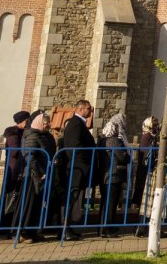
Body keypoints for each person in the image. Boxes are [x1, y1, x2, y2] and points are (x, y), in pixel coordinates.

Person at [58, 99, 95, 239]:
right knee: (71, 199)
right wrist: (84, 162)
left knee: (75, 200)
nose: (91, 111)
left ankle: (69, 227)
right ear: (80, 109)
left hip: (78, 167)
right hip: (76, 168)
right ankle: (64, 229)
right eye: (89, 109)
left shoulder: (80, 124)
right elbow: (75, 147)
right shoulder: (75, 124)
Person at [19, 111, 55, 243]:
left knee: (38, 205)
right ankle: (24, 232)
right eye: (46, 123)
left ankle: (33, 231)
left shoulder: (45, 135)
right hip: (32, 176)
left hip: (43, 174)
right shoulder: (32, 135)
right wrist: (39, 173)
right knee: (29, 204)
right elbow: (30, 156)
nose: (49, 125)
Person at [98, 113, 131, 236]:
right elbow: (122, 156)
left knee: (105, 202)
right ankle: (107, 229)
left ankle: (102, 228)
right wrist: (128, 156)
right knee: (111, 203)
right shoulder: (113, 140)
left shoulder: (102, 140)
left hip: (106, 174)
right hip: (114, 175)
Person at [0, 111, 30, 226]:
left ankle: (12, 224)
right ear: (21, 121)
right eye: (27, 120)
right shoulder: (13, 133)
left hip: (19, 169)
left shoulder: (24, 132)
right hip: (14, 170)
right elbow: (14, 152)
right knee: (10, 198)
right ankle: (6, 225)